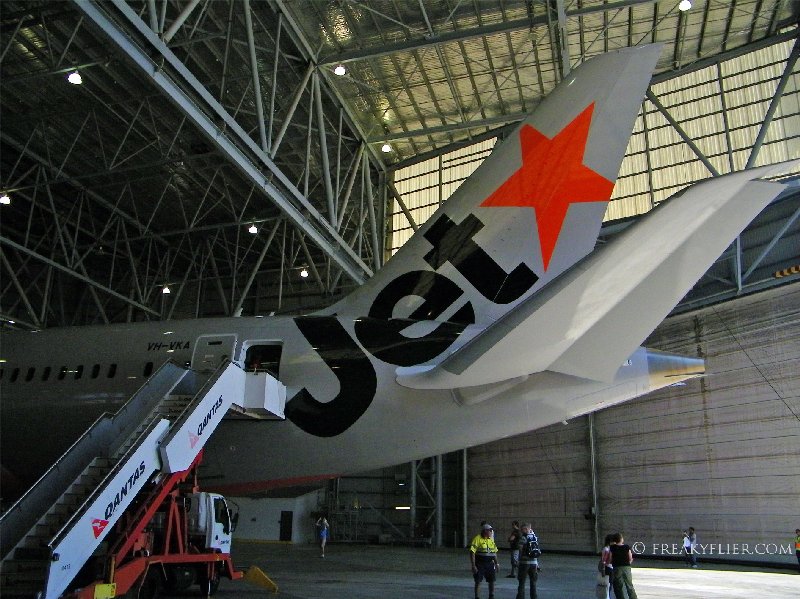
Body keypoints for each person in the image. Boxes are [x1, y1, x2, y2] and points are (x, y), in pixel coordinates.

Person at [469, 523, 499, 599]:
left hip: (490, 564)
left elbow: (494, 553)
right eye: (490, 531)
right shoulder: (477, 539)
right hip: (480, 564)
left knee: (491, 581)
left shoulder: (491, 540)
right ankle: (477, 597)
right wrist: (473, 565)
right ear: (485, 531)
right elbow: (472, 552)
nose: (491, 533)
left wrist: (496, 563)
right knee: (478, 581)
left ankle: (491, 596)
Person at [609, 533, 638, 599]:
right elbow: (630, 558)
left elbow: (610, 559)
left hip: (617, 568)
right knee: (629, 585)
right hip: (626, 567)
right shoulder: (626, 547)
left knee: (618, 586)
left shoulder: (612, 548)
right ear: (621, 539)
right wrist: (628, 564)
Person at [516, 522, 541, 599]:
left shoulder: (524, 538)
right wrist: (537, 564)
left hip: (524, 563)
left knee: (522, 583)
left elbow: (520, 549)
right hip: (534, 563)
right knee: (533, 583)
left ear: (526, 529)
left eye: (522, 529)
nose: (521, 531)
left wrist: (518, 561)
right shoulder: (534, 537)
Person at [598, 534, 613, 599]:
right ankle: (607, 597)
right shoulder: (606, 549)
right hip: (608, 568)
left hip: (609, 568)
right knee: (608, 585)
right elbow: (604, 560)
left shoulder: (607, 548)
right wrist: (603, 570)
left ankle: (607, 596)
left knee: (608, 585)